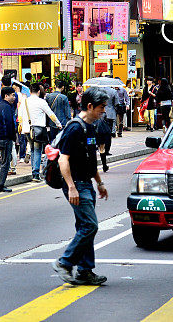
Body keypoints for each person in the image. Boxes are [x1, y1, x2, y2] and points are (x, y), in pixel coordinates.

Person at [51, 87, 109, 286]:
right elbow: (62, 160)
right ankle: (64, 262)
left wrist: (99, 183)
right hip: (76, 186)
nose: (104, 111)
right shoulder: (74, 128)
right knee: (90, 226)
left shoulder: (91, 127)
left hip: (87, 184)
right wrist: (72, 187)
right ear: (90, 106)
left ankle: (85, 271)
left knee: (85, 227)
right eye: (101, 107)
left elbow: (90, 160)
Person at [19, 83, 62, 182]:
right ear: (38, 91)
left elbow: (20, 116)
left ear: (30, 91)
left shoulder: (24, 101)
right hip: (38, 129)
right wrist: (58, 124)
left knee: (33, 149)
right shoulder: (41, 102)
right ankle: (36, 174)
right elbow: (51, 114)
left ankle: (34, 171)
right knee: (37, 150)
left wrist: (21, 126)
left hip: (27, 129)